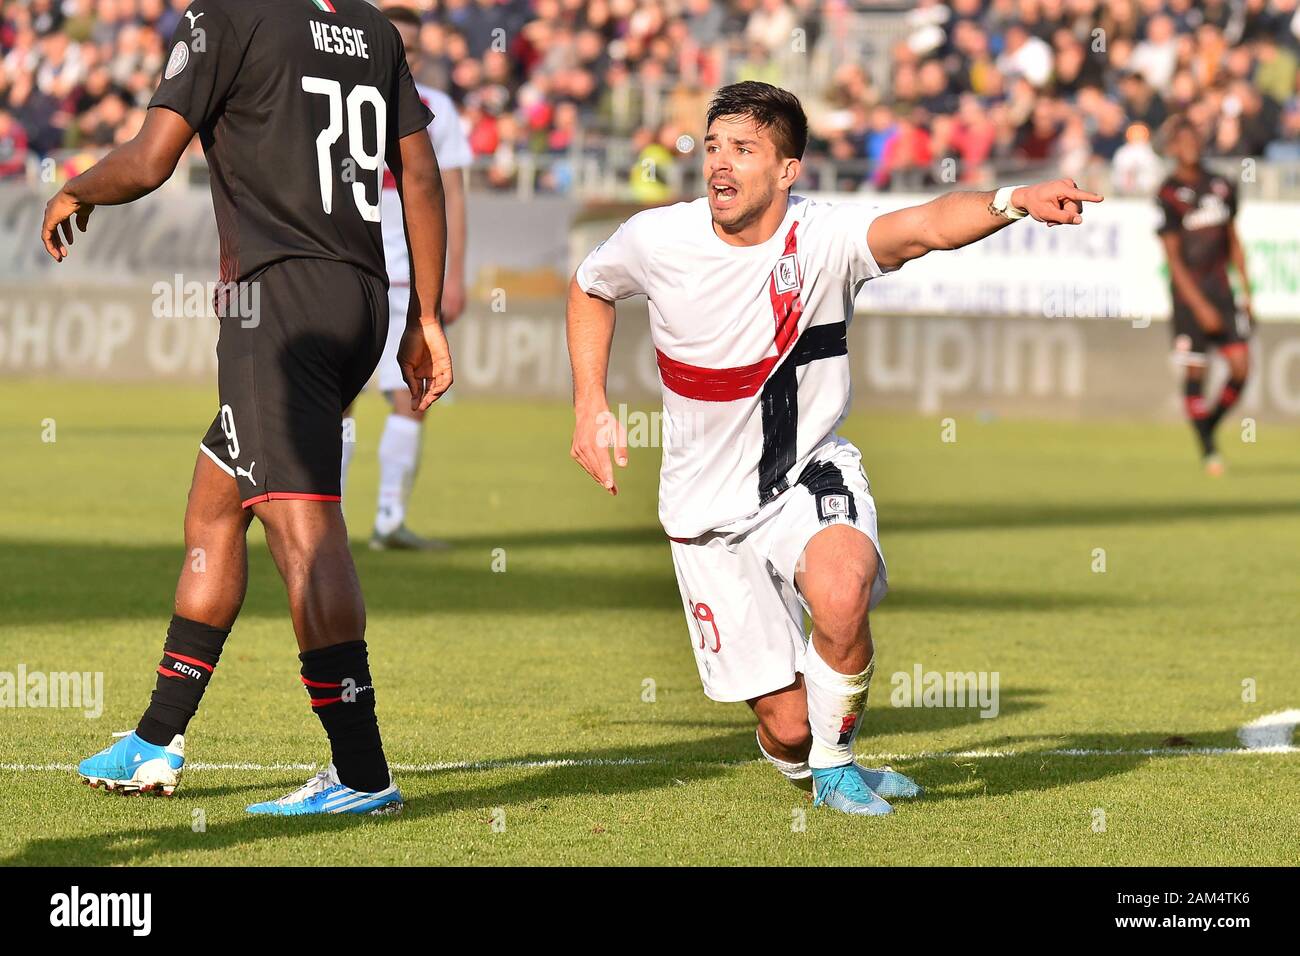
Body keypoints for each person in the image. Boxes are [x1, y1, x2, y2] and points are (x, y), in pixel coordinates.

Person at [567, 81, 1101, 816]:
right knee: (787, 730)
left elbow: (926, 226)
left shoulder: (824, 239)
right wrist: (590, 402)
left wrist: (1012, 199)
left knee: (843, 587)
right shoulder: (657, 239)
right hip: (703, 512)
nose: (720, 165)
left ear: (788, 170)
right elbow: (590, 287)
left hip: (804, 473)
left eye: (744, 150)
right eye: (714, 147)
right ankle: (812, 754)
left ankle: (838, 764)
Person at [42, 0, 452, 815]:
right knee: (217, 505)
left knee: (305, 527)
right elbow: (424, 176)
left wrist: (74, 187)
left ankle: (364, 775)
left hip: (280, 307)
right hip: (362, 297)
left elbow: (153, 158)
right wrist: (425, 315)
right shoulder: (372, 29)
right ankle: (157, 739)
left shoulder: (225, 16)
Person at [341, 3, 473, 552]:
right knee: (334, 400)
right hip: (348, 268)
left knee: (411, 397)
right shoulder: (345, 97)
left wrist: (454, 275)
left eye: (415, 49)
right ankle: (330, 523)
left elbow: (454, 196)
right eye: (400, 45)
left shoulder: (436, 107)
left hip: (409, 280)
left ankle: (390, 520)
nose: (407, 56)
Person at [1156, 118, 1252, 474]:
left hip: (1223, 292)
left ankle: (1208, 423)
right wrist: (1198, 305)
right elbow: (1173, 258)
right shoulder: (1166, 194)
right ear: (1173, 148)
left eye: (1195, 139)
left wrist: (1246, 293)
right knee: (1197, 371)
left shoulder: (1221, 185)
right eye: (1183, 142)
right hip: (1189, 296)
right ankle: (1208, 447)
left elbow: (1233, 241)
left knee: (1241, 368)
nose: (1191, 146)